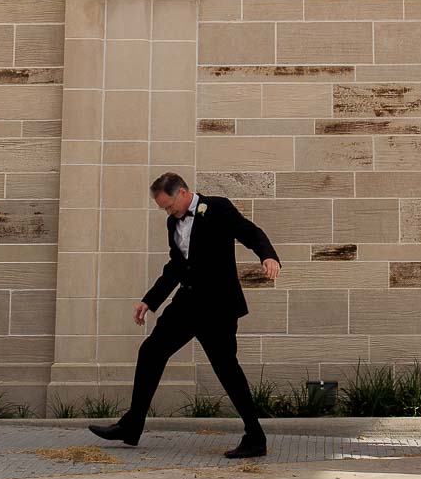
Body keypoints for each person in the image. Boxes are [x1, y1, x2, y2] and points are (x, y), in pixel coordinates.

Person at [89, 172, 281, 459]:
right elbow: (177, 265)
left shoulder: (217, 208)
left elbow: (249, 231)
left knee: (227, 369)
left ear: (182, 192)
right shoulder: (173, 223)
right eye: (164, 209)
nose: (168, 212)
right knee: (151, 351)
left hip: (217, 307)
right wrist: (150, 300)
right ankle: (131, 426)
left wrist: (268, 256)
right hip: (187, 304)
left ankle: (255, 437)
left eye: (169, 206)